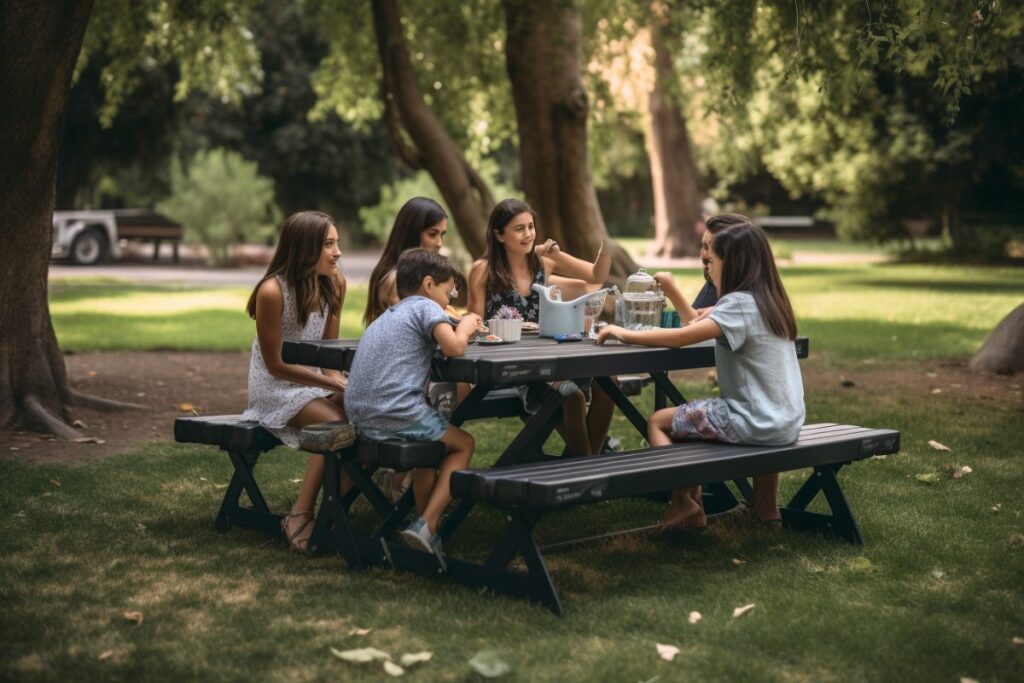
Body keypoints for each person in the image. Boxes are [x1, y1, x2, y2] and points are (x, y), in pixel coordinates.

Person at [597, 217, 804, 531]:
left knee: (659, 421)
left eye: (712, 260)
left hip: (753, 421)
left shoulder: (736, 306)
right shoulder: (768, 301)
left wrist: (623, 333)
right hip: (785, 419)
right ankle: (766, 510)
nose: (708, 268)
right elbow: (695, 322)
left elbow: (681, 337)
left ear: (732, 263)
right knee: (695, 416)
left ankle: (683, 503)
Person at [345, 249, 483, 558]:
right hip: (398, 413)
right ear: (429, 284)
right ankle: (428, 523)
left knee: (430, 452)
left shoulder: (391, 315)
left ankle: (425, 533)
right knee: (463, 443)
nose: (449, 300)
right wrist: (467, 324)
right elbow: (455, 347)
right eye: (448, 293)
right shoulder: (425, 306)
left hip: (361, 416)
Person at [467, 198, 615, 456]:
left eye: (531, 227)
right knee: (572, 394)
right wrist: (505, 327)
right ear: (499, 235)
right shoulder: (483, 270)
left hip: (550, 355)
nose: (528, 235)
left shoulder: (543, 262)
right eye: (519, 229)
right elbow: (474, 323)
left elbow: (596, 276)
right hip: (511, 366)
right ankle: (589, 463)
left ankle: (586, 459)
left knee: (609, 380)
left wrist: (603, 243)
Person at [242, 210, 349, 551]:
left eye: (337, 243)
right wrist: (332, 385)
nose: (338, 252)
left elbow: (327, 354)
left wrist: (340, 381)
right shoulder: (272, 291)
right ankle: (300, 514)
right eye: (328, 244)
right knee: (334, 424)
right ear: (304, 248)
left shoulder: (335, 284)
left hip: (314, 381)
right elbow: (275, 364)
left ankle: (337, 511)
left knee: (363, 410)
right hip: (274, 386)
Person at [364, 197, 449, 326]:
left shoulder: (415, 273)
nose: (439, 243)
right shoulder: (396, 280)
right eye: (432, 234)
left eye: (442, 235)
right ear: (413, 233)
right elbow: (408, 331)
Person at [653, 213, 751, 323]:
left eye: (707, 247)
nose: (703, 254)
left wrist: (671, 291)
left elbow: (694, 332)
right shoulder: (716, 283)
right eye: (702, 246)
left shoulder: (742, 301)